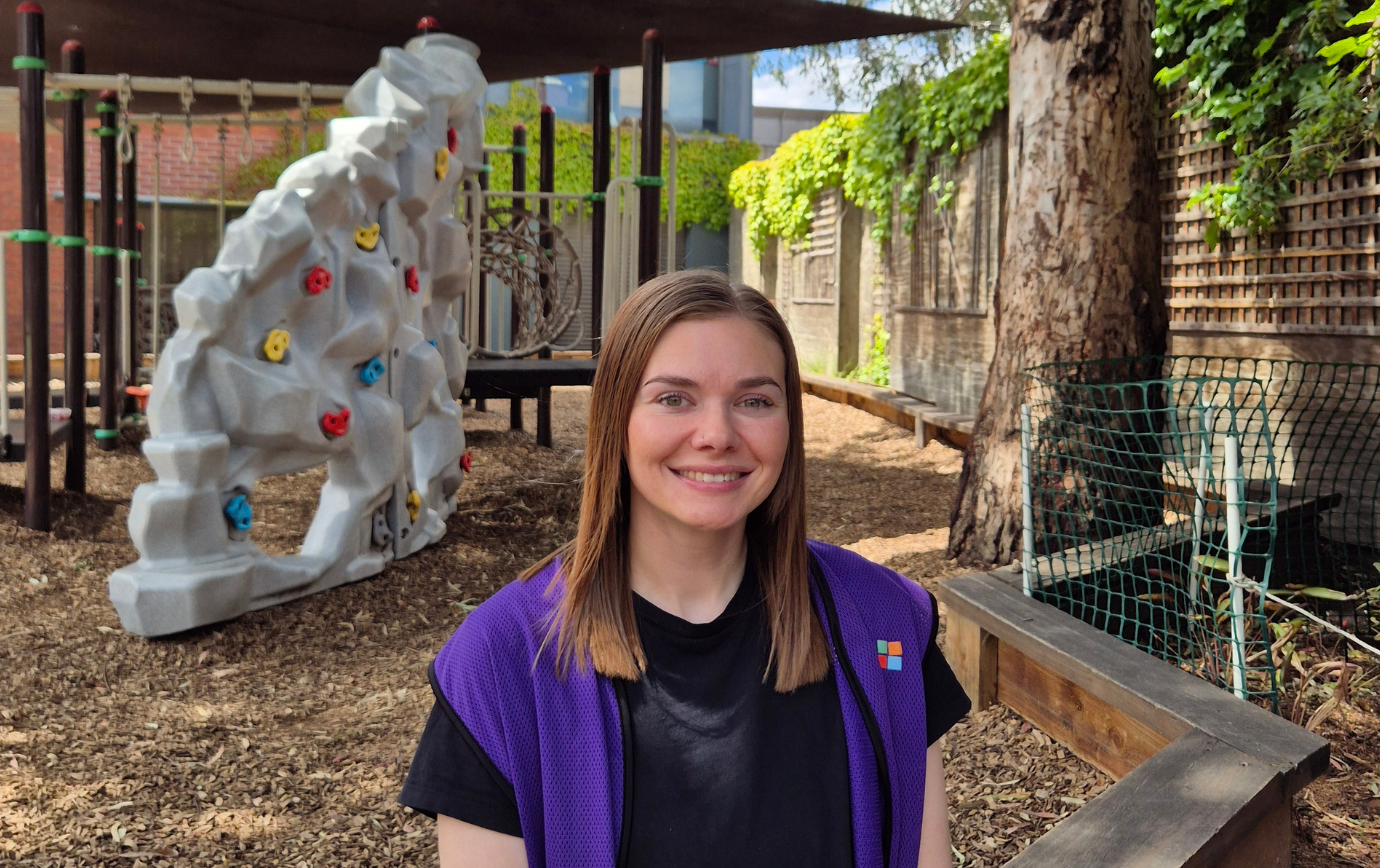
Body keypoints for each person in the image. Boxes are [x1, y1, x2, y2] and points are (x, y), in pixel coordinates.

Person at [400, 270, 971, 868]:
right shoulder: (502, 665)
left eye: (755, 401)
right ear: (616, 419)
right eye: (674, 398)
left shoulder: (883, 623)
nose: (717, 435)